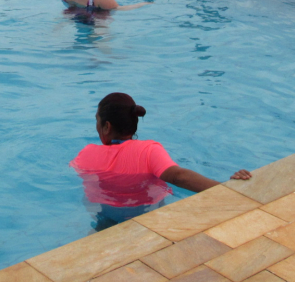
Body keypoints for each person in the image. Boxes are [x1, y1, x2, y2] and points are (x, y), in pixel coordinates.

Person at [70, 93, 252, 230]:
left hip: (105, 221)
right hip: (147, 219)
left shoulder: (86, 154)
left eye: (97, 121)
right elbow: (179, 176)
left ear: (107, 126)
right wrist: (224, 189)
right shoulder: (149, 151)